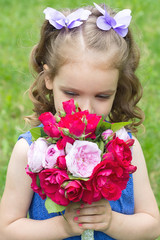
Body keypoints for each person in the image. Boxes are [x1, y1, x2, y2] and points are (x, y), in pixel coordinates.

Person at [0, 3, 159, 240]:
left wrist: (112, 222)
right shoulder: (31, 151)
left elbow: (152, 224)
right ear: (49, 78)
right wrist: (62, 228)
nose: (85, 110)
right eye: (72, 94)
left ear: (118, 88)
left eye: (102, 96)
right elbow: (7, 229)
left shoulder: (126, 147)